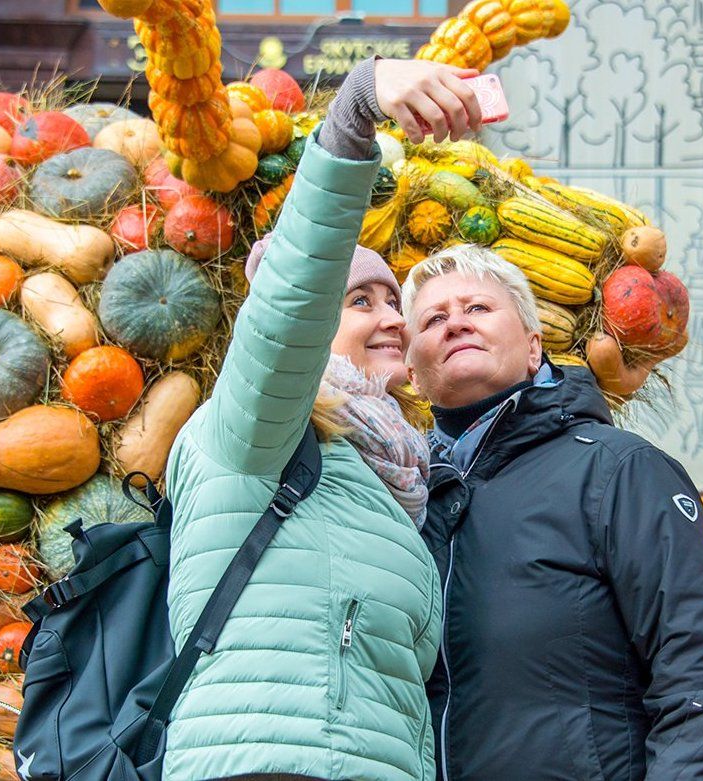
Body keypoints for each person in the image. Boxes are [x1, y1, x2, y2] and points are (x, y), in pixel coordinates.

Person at [161, 58, 483, 781]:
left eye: (393, 300)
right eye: (360, 300)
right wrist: (356, 109)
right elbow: (286, 309)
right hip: (267, 765)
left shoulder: (392, 473)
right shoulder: (258, 429)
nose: (393, 318)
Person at [401, 245, 703, 780]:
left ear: (534, 347)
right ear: (411, 371)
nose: (455, 325)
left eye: (478, 309)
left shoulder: (620, 471)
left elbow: (698, 669)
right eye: (434, 319)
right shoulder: (400, 501)